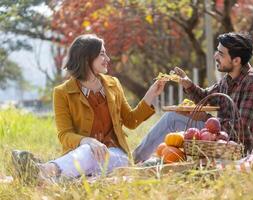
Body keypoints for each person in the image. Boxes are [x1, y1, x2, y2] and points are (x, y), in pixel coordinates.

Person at [11, 34, 166, 182]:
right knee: (87, 152)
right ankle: (48, 175)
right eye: (102, 54)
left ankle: (43, 170)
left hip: (116, 156)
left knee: (88, 153)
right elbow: (64, 135)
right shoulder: (62, 93)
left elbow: (131, 121)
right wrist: (87, 141)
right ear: (87, 58)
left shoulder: (113, 84)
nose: (108, 59)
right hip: (81, 155)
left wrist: (152, 93)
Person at [133, 32, 253, 163]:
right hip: (220, 139)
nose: (215, 56)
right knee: (172, 117)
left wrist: (205, 119)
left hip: (245, 149)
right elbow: (206, 97)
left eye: (220, 53)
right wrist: (188, 85)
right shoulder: (228, 80)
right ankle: (134, 161)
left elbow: (244, 131)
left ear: (236, 60)